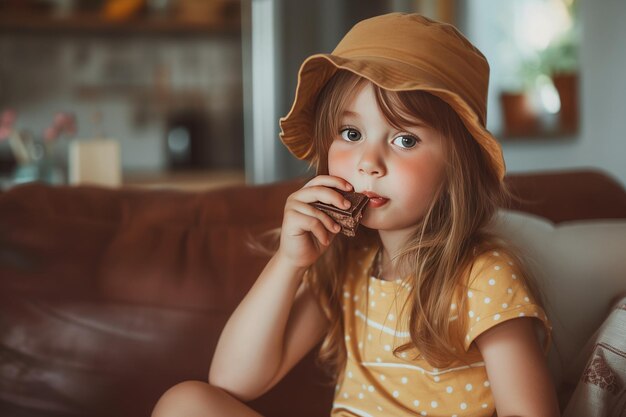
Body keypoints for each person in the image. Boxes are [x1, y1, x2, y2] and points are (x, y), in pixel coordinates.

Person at [152, 13, 560, 417]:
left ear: (458, 166)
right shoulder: (347, 265)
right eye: (351, 134)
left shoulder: (483, 277)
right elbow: (232, 380)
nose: (369, 163)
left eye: (404, 138)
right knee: (185, 403)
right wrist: (288, 262)